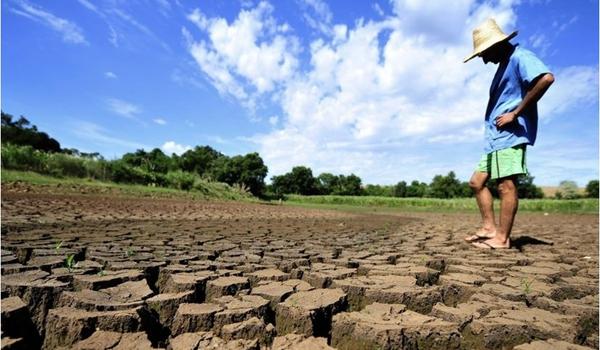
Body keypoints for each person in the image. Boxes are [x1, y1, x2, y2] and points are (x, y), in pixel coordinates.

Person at [463, 18, 554, 249]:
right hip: (495, 137)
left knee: (506, 186)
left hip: (509, 134)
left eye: (483, 53)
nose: (483, 60)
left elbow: (546, 78)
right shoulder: (504, 63)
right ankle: (489, 228)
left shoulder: (519, 56)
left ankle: (502, 239)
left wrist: (516, 112)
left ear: (496, 45)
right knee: (476, 182)